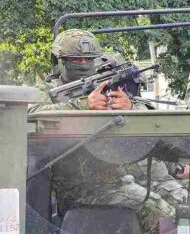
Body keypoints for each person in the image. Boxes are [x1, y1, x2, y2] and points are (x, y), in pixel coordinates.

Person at [28, 29, 178, 233]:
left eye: (87, 60)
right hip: (76, 186)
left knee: (185, 201)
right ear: (59, 61)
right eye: (75, 59)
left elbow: (150, 114)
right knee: (156, 208)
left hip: (119, 177)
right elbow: (30, 116)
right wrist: (82, 105)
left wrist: (130, 108)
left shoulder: (102, 84)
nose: (82, 64)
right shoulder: (46, 91)